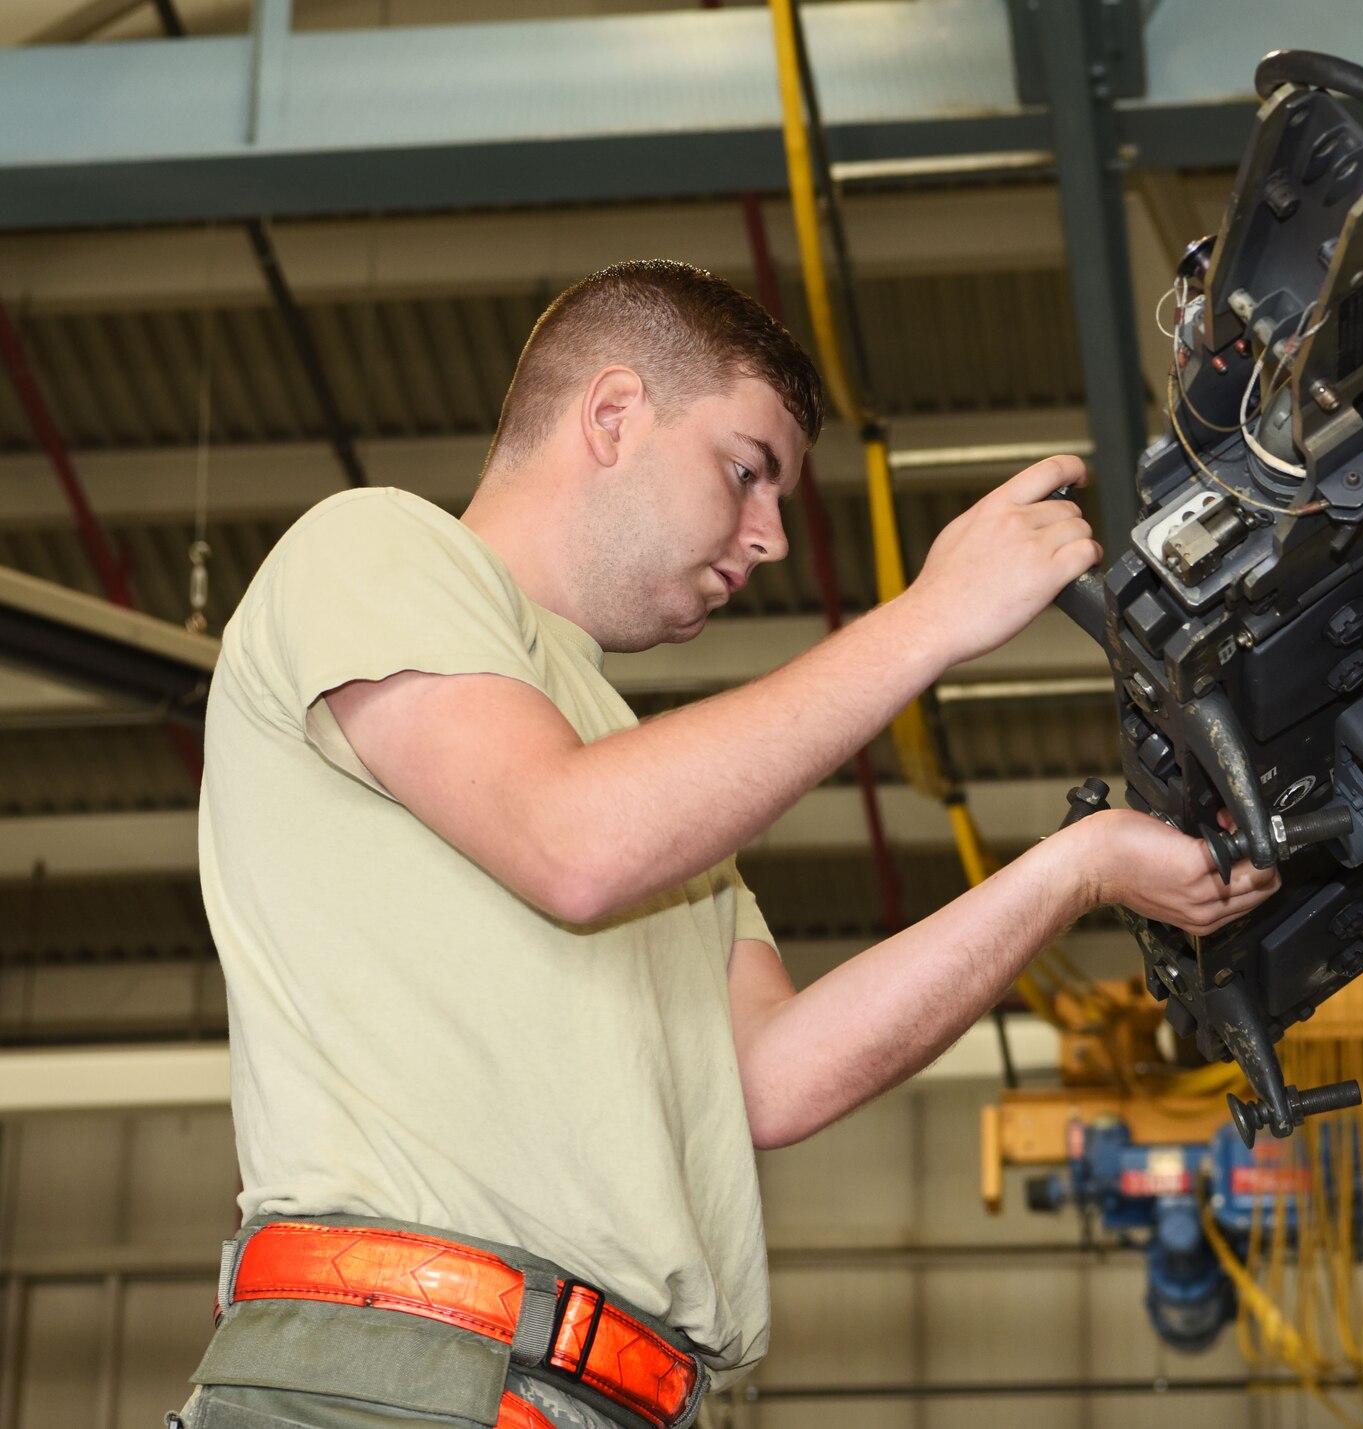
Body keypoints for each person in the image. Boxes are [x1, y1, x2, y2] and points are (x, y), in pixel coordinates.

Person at [177, 260, 1278, 1429]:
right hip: (401, 1382)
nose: (764, 542)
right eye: (744, 472)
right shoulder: (375, 550)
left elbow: (771, 1076)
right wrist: (930, 618)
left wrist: (1079, 868)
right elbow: (574, 841)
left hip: (604, 1398)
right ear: (611, 416)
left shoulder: (646, 785)